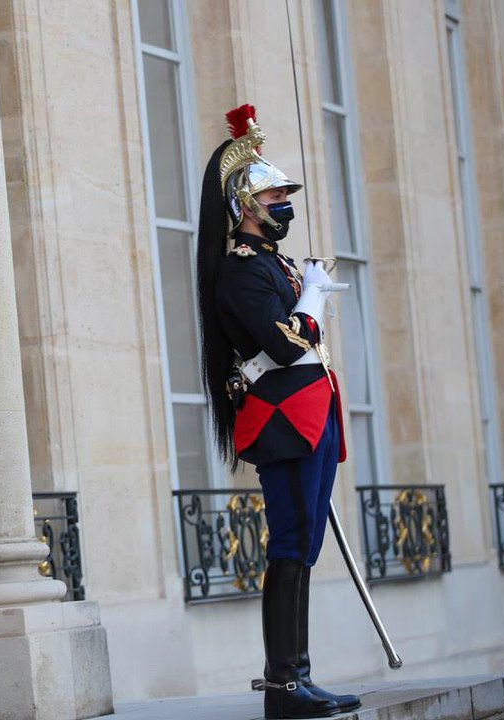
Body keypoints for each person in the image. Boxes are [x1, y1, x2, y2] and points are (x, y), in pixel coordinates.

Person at [196, 104, 358, 719]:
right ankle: (284, 685)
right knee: (290, 544)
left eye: (286, 193)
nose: (285, 203)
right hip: (282, 420)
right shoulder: (239, 271)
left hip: (310, 415)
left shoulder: (273, 265)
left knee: (304, 546)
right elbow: (285, 343)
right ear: (246, 205)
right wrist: (312, 298)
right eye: (275, 195)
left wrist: (305, 291)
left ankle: (300, 675)